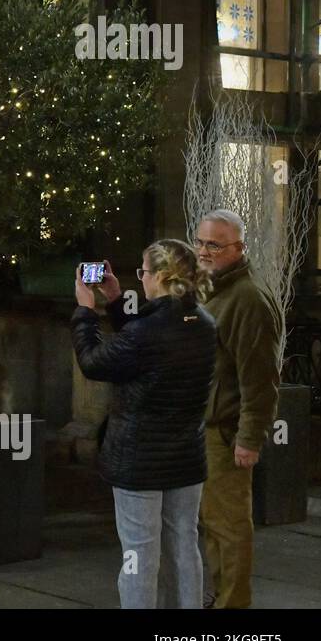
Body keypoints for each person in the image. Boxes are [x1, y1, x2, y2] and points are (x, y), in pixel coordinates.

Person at [72, 241, 216, 608]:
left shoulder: (146, 334)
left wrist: (86, 312)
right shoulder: (203, 323)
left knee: (139, 553)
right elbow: (143, 344)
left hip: (139, 460)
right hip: (185, 456)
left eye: (143, 272)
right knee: (184, 545)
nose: (142, 279)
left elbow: (94, 363)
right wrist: (118, 300)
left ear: (161, 277)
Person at [194, 209, 281, 609]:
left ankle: (232, 606)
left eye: (214, 244)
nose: (204, 251)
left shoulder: (247, 298)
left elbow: (260, 380)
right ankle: (220, 597)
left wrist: (249, 438)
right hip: (205, 427)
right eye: (200, 242)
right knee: (211, 522)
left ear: (238, 248)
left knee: (228, 527)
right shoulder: (211, 288)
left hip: (226, 431)